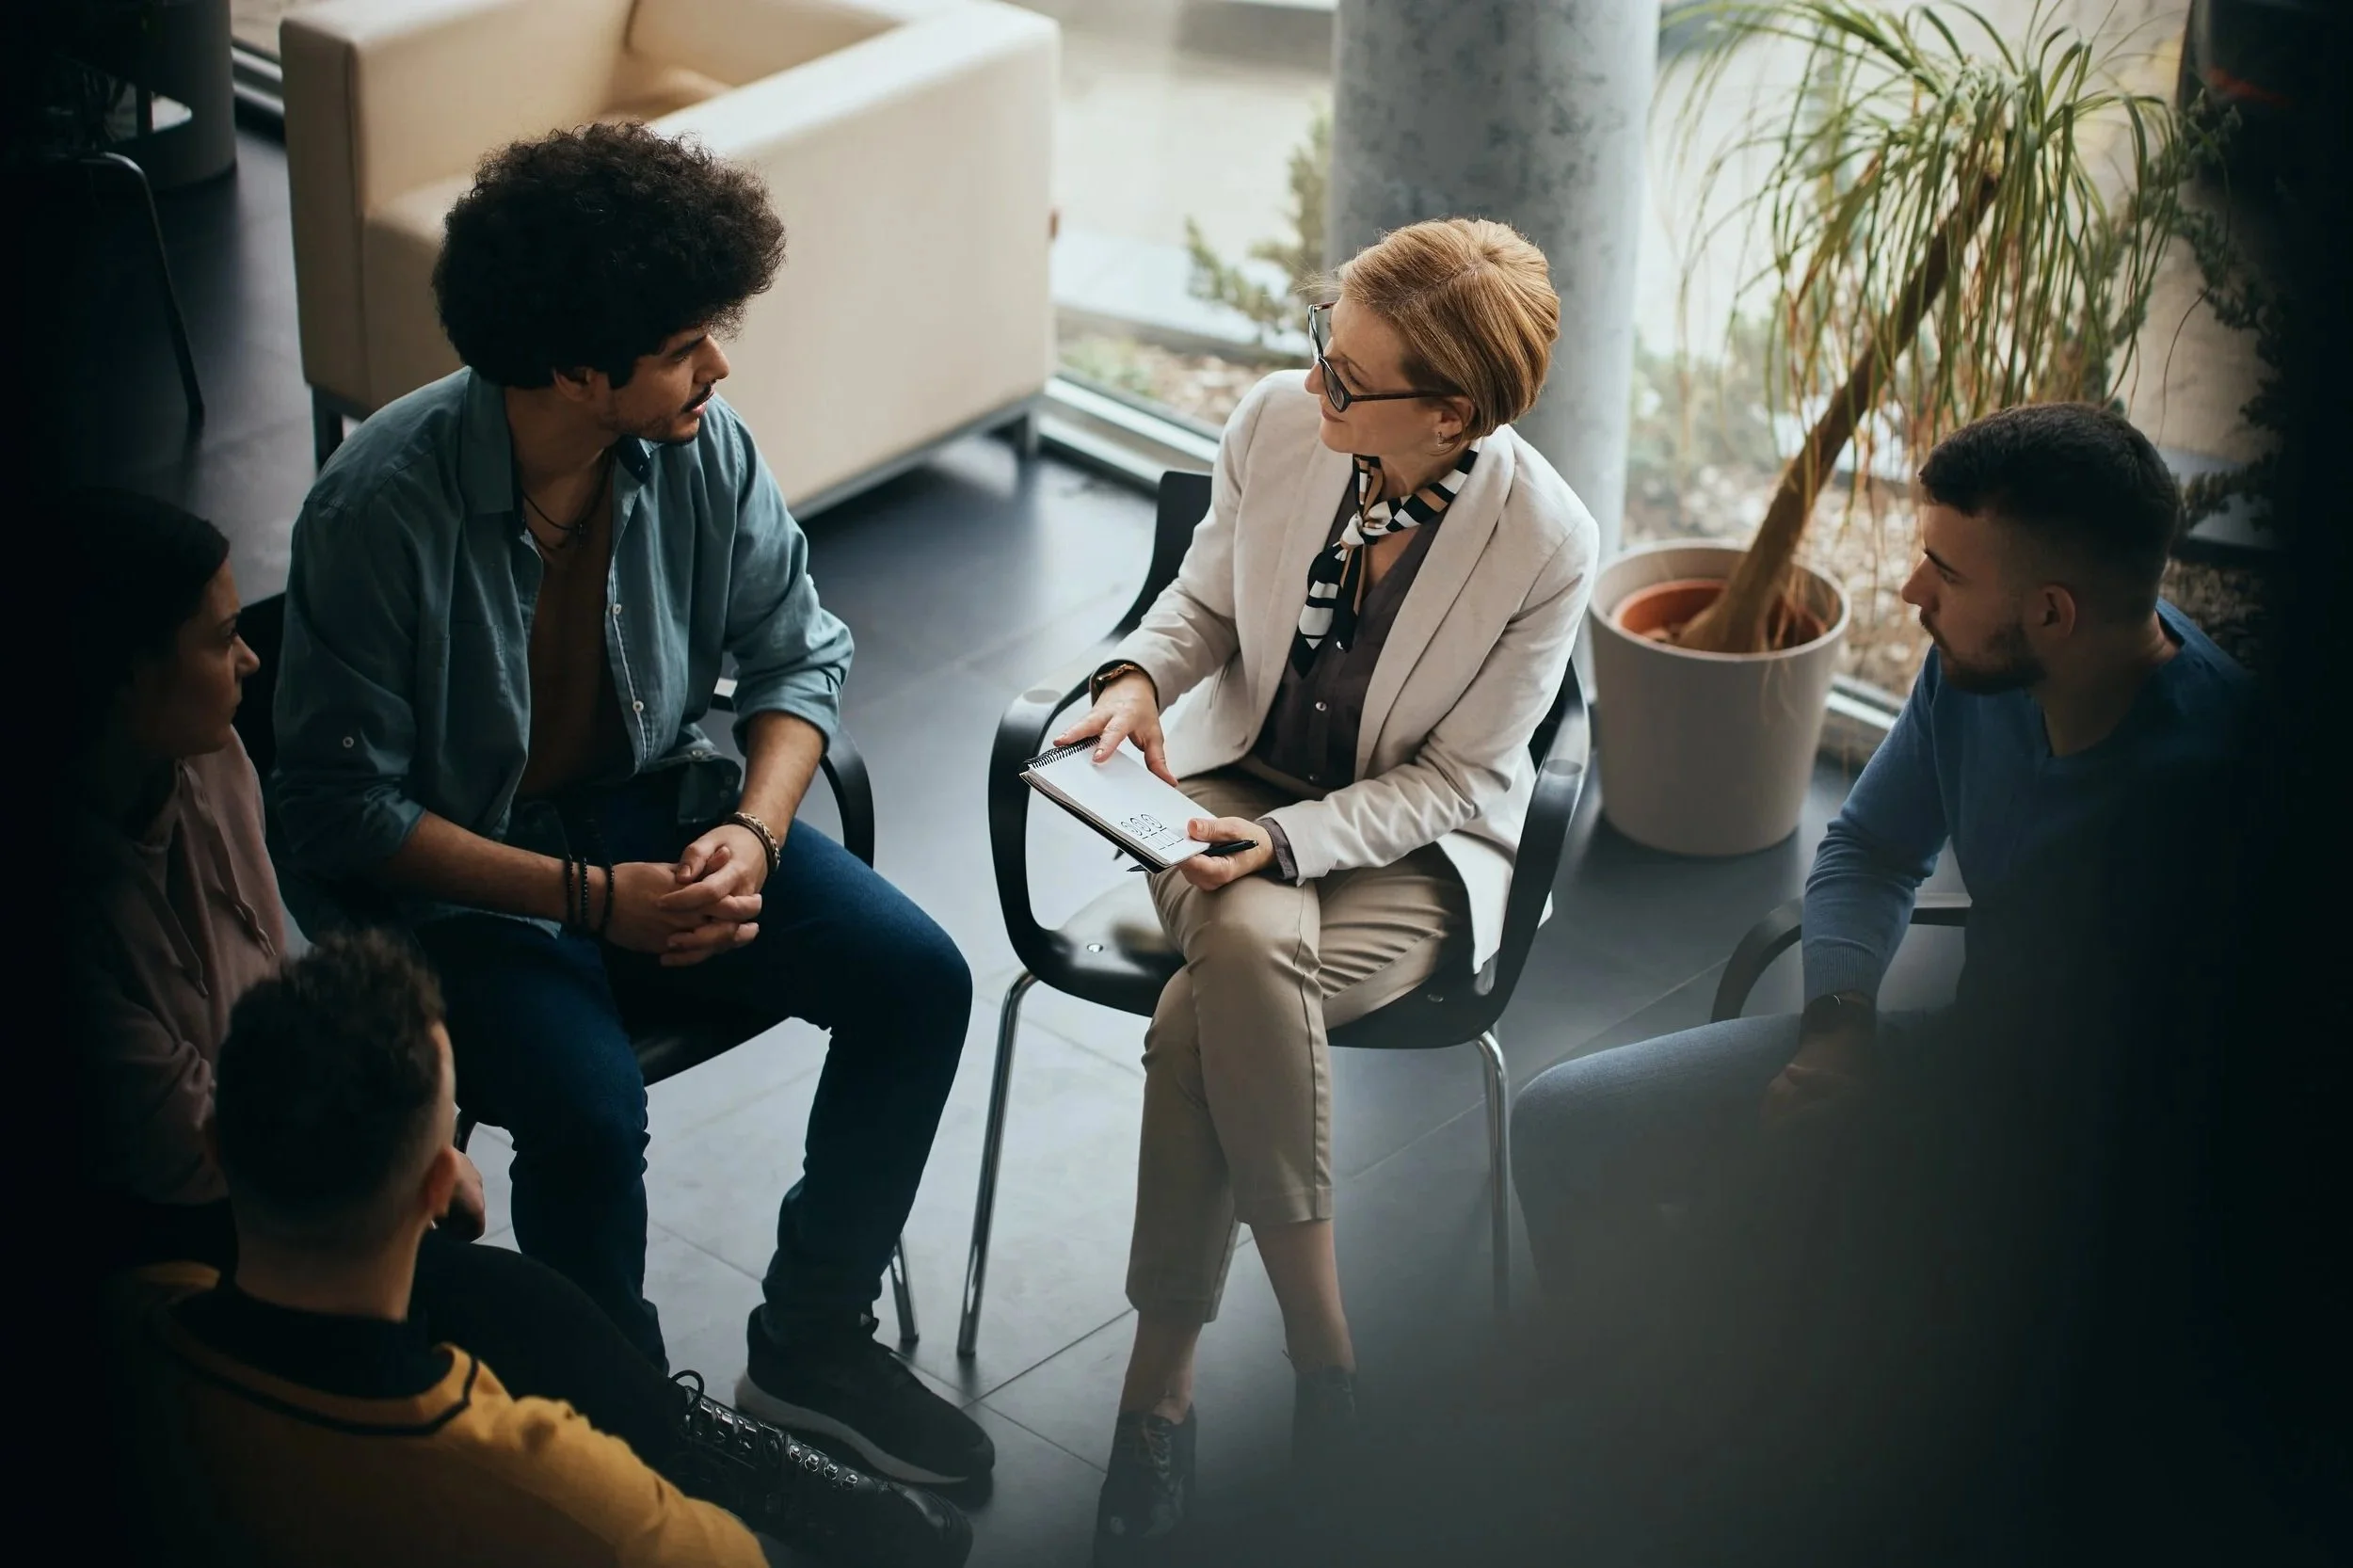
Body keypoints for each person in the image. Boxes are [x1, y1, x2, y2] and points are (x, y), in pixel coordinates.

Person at [267, 124, 986, 1485]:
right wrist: (594, 903)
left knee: (919, 977)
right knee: (592, 1112)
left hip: (662, 813)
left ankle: (811, 1338)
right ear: (576, 368)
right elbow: (336, 809)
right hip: (468, 883)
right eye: (685, 343)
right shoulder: (377, 510)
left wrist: (756, 831)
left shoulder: (700, 447)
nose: (719, 364)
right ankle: (628, 1416)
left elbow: (800, 650)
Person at [65, 488, 969, 1566]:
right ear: (125, 678)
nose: (252, 664)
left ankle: (753, 1392)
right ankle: (663, 1460)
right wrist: (395, 1155)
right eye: (220, 641)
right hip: (187, 1226)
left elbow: (264, 975)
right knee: (541, 1268)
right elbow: (182, 1140)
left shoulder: (205, 756)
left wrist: (752, 833)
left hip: (284, 1152)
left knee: (917, 976)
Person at [1052, 218, 1597, 1559]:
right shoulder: (1275, 425)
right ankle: (1326, 1360)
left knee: (1208, 1004)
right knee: (1238, 941)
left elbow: (1467, 773)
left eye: (1350, 381)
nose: (1315, 390)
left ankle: (1157, 1397)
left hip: (1407, 847)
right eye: (1320, 350)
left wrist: (1298, 847)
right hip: (1232, 778)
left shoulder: (1544, 538)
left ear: (1452, 411)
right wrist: (1134, 677)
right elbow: (1200, 607)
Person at [1511, 401, 2255, 1370]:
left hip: (2097, 1165)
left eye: (1945, 573)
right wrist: (1838, 1027)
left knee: (1797, 1296)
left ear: (2051, 612)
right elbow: (1868, 850)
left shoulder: (2226, 792)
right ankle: (1622, 1386)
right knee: (1564, 1124)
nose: (1911, 592)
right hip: (1958, 1066)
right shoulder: (1975, 671)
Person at [113, 928, 967, 1568]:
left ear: (220, 1147)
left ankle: (697, 1432)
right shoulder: (551, 1487)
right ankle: (703, 1444)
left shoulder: (135, 1320)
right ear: (442, 1188)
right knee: (547, 1315)